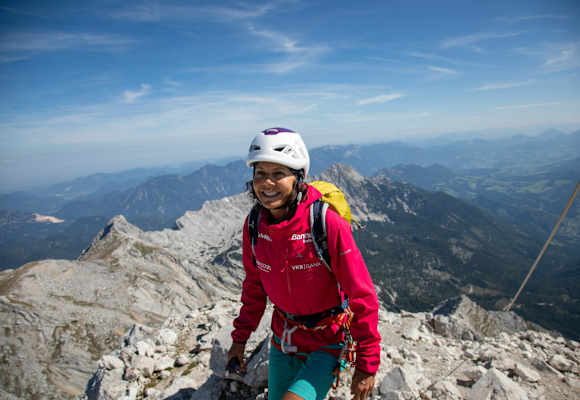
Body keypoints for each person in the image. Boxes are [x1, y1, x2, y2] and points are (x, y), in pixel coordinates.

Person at [228, 127, 381, 400]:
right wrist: (239, 339)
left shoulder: (325, 223)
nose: (267, 183)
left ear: (298, 178)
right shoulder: (254, 225)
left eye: (278, 173)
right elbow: (254, 288)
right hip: (283, 339)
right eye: (260, 173)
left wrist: (366, 364)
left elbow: (362, 295)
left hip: (328, 340)